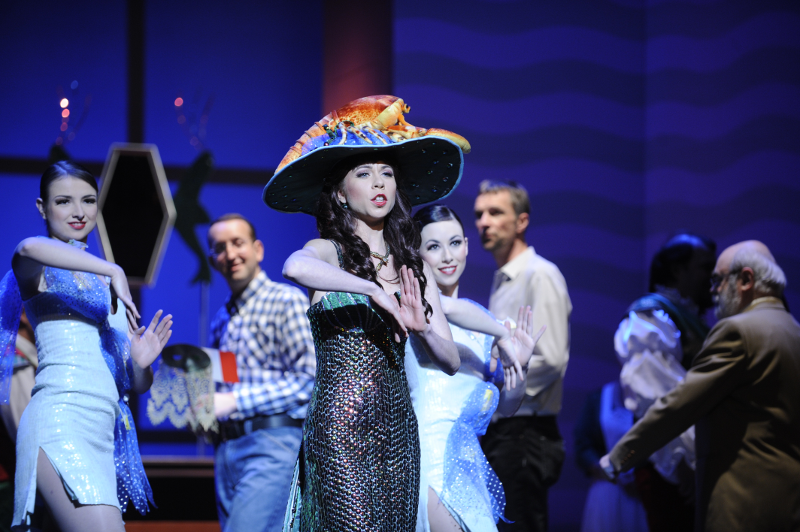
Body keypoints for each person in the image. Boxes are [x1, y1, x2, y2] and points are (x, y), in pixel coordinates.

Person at [264, 94, 470, 531]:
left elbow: (451, 360)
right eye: (364, 173)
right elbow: (294, 267)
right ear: (341, 194)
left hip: (399, 431)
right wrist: (371, 289)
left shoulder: (414, 265)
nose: (379, 183)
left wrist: (421, 330)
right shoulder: (328, 251)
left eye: (387, 173)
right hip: (340, 428)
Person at [0, 161, 172, 532]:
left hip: (102, 432)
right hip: (59, 421)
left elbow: (137, 384)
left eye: (88, 200)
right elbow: (27, 247)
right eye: (63, 201)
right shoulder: (39, 268)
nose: (79, 212)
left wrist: (140, 363)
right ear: (42, 207)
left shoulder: (103, 282)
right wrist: (113, 268)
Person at [600, 240, 800, 532]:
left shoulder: (737, 330)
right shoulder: (793, 330)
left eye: (717, 278)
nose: (713, 288)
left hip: (740, 498)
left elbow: (679, 404)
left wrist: (621, 456)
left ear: (746, 280)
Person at [408, 204, 544, 532]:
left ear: (467, 246)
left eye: (455, 243)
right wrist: (501, 332)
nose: (447, 257)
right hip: (431, 463)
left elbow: (507, 408)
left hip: (469, 468)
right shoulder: (417, 306)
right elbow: (445, 306)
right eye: (433, 247)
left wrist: (519, 368)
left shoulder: (483, 326)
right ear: (416, 255)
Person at [207, 213, 316, 532]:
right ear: (213, 260)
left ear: (258, 249)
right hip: (227, 450)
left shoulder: (286, 300)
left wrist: (234, 401)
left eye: (237, 243)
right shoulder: (221, 318)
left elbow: (310, 379)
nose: (230, 254)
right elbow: (227, 384)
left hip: (272, 443)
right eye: (220, 248)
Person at [475, 180, 572, 532]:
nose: (484, 222)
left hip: (525, 431)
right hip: (507, 429)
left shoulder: (539, 275)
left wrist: (500, 393)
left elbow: (551, 358)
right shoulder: (504, 280)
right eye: (479, 214)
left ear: (521, 221)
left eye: (495, 212)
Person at [615, 233, 716, 531]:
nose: (712, 277)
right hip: (669, 470)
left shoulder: (687, 318)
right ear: (677, 270)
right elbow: (655, 399)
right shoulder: (650, 316)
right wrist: (680, 464)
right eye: (705, 267)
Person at [573, 381, 648, 532]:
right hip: (606, 487)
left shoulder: (650, 398)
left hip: (638, 487)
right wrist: (604, 470)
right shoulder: (598, 398)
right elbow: (583, 445)